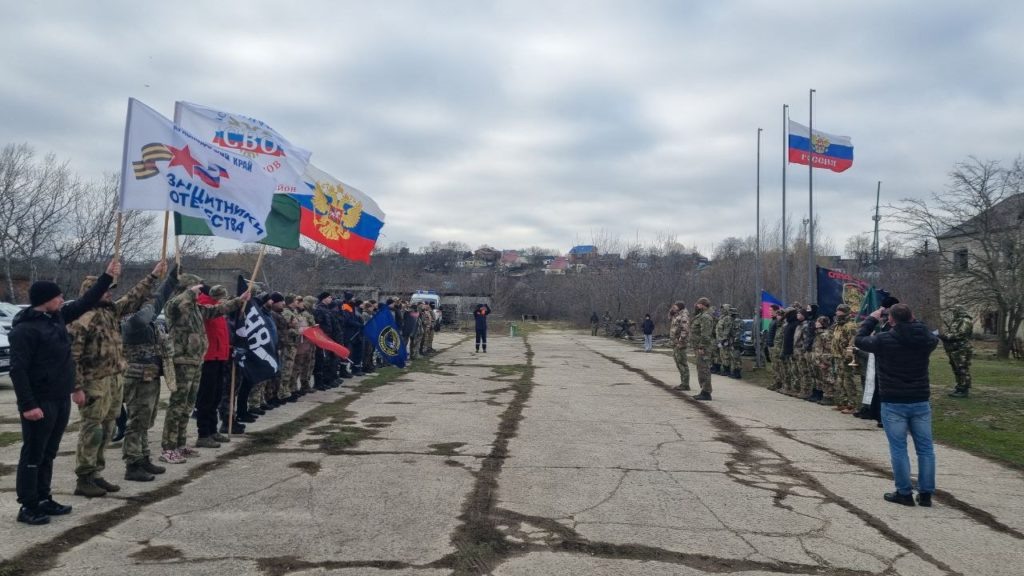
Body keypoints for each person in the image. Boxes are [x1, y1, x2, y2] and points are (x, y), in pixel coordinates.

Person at [9, 258, 121, 525]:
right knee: (33, 454)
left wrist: (107, 277)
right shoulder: (25, 330)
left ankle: (44, 497)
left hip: (60, 398)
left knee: (49, 452)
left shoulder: (56, 318)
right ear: (44, 300)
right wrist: (28, 405)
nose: (62, 299)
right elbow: (18, 371)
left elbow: (85, 302)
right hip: (39, 402)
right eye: (57, 296)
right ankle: (28, 504)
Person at [69, 261, 165, 498]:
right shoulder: (82, 317)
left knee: (108, 427)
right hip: (94, 380)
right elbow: (73, 355)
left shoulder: (110, 311)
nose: (110, 292)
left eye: (111, 289)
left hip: (114, 378)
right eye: (105, 289)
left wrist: (153, 276)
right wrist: (76, 387)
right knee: (92, 430)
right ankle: (84, 476)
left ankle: (97, 474)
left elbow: (133, 297)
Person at [855, 303, 939, 507]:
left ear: (891, 320)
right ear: (912, 317)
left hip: (893, 400)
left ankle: (904, 492)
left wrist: (872, 319)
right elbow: (926, 332)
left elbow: (859, 340)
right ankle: (926, 493)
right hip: (919, 398)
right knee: (926, 449)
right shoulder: (927, 339)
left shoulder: (884, 340)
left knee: (899, 448)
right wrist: (911, 320)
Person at [160, 273, 248, 464]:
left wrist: (240, 301)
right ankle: (168, 447)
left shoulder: (197, 309)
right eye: (197, 288)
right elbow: (176, 302)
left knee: (187, 405)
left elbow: (218, 309)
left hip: (195, 361)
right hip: (181, 361)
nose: (200, 290)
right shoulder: (175, 306)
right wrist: (189, 292)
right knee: (177, 406)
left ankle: (180, 444)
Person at [122, 266, 179, 482]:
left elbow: (158, 303)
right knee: (136, 421)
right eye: (145, 299)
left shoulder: (150, 320)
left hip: (151, 376)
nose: (150, 303)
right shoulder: (130, 320)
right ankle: (132, 463)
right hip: (137, 377)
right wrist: (149, 303)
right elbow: (145, 316)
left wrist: (171, 280)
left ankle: (143, 457)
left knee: (146, 420)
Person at [193, 285, 234, 450]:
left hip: (219, 356)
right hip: (208, 357)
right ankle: (203, 433)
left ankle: (212, 429)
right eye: (221, 295)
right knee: (206, 397)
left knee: (216, 395)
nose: (224, 298)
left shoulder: (217, 308)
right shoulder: (205, 306)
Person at [940, 305, 973, 398]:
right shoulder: (957, 320)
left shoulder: (965, 320)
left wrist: (947, 337)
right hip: (954, 348)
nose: (953, 313)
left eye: (954, 311)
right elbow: (952, 331)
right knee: (956, 368)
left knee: (962, 368)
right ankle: (959, 386)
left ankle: (964, 389)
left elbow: (961, 333)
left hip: (962, 349)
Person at [689, 298, 714, 401]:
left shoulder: (705, 317)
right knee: (701, 368)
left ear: (703, 305)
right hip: (699, 346)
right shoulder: (701, 316)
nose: (696, 306)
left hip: (704, 347)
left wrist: (702, 347)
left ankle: (706, 392)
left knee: (704, 369)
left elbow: (705, 334)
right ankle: (704, 390)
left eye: (698, 304)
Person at [668, 302, 690, 390]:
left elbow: (685, 330)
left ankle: (685, 384)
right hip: (675, 343)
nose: (673, 307)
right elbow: (670, 319)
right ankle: (683, 383)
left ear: (680, 307)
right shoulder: (677, 315)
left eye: (675, 306)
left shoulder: (683, 316)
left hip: (680, 343)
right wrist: (671, 312)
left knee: (682, 363)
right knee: (678, 363)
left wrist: (680, 341)